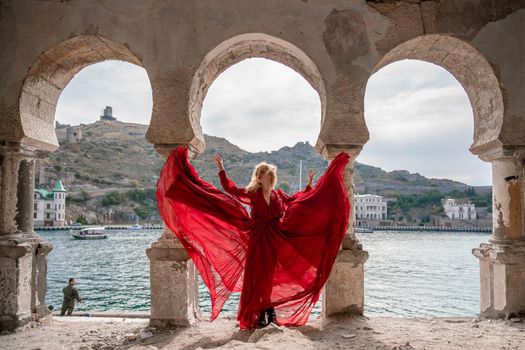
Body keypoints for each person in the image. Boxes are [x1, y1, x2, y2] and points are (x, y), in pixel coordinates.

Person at [156, 146, 350, 329]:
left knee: (269, 278)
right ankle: (263, 315)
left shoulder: (278, 195)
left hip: (275, 240)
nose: (263, 176)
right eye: (260, 174)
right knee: (257, 278)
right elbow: (230, 190)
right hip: (257, 241)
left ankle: (270, 314)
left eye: (265, 174)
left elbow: (297, 201)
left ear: (270, 177)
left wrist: (309, 186)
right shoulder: (252, 194)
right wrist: (222, 170)